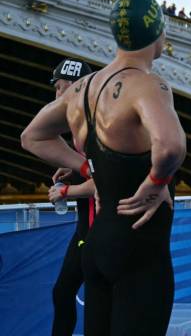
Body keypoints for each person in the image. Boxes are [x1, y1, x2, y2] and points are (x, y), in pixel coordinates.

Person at [21, 0, 186, 335]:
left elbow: (32, 136)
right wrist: (156, 183)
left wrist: (87, 168)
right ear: (156, 34)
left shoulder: (82, 89)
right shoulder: (148, 86)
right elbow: (170, 146)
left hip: (97, 246)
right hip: (139, 252)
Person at [44, 58, 95, 336]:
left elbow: (106, 183)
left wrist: (66, 191)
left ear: (75, 90)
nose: (56, 96)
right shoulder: (80, 129)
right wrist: (74, 165)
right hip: (85, 232)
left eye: (60, 88)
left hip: (100, 232)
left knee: (99, 306)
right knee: (62, 292)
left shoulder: (98, 128)